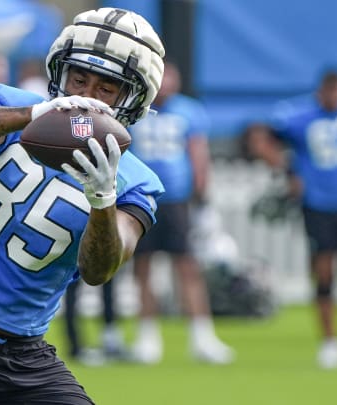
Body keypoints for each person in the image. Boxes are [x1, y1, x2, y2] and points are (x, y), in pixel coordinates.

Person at [0, 8, 165, 404]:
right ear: (60, 73)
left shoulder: (135, 182)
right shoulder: (12, 105)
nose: (86, 96)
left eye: (106, 88)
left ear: (133, 100)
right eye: (79, 78)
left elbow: (98, 270)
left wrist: (102, 200)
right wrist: (32, 116)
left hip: (24, 353)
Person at [245, 69, 337, 369]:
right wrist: (288, 172)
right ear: (321, 92)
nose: (334, 97)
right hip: (319, 205)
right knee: (325, 272)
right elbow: (260, 136)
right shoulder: (301, 116)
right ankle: (329, 340)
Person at [127, 60, 235, 365]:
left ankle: (202, 336)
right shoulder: (134, 109)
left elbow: (198, 154)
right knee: (144, 267)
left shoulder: (188, 110)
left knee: (187, 266)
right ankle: (147, 337)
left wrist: (202, 197)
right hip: (141, 197)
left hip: (176, 201)